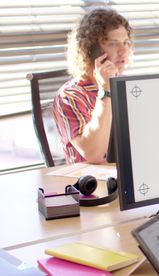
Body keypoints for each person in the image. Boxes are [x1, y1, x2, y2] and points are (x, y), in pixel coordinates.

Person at [53, 9, 132, 164]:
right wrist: (106, 91)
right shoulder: (70, 96)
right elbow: (93, 155)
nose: (123, 51)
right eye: (113, 44)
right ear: (91, 51)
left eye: (126, 43)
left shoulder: (129, 86)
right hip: (94, 183)